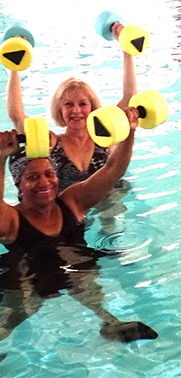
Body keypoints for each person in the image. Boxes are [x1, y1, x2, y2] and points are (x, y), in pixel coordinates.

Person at [0, 111, 157, 343]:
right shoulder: (12, 220)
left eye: (49, 174)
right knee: (13, 318)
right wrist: (1, 157)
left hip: (74, 269)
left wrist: (130, 131)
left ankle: (109, 322)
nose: (44, 182)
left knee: (85, 276)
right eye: (32, 177)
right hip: (26, 281)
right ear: (18, 184)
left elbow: (114, 169)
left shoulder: (72, 202)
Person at [6, 21, 138, 191]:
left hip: (111, 206)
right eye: (68, 104)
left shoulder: (106, 137)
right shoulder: (52, 143)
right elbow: (17, 116)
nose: (76, 111)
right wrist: (14, 65)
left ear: (92, 108)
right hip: (70, 212)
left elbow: (129, 96)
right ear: (59, 110)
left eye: (83, 104)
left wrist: (126, 47)